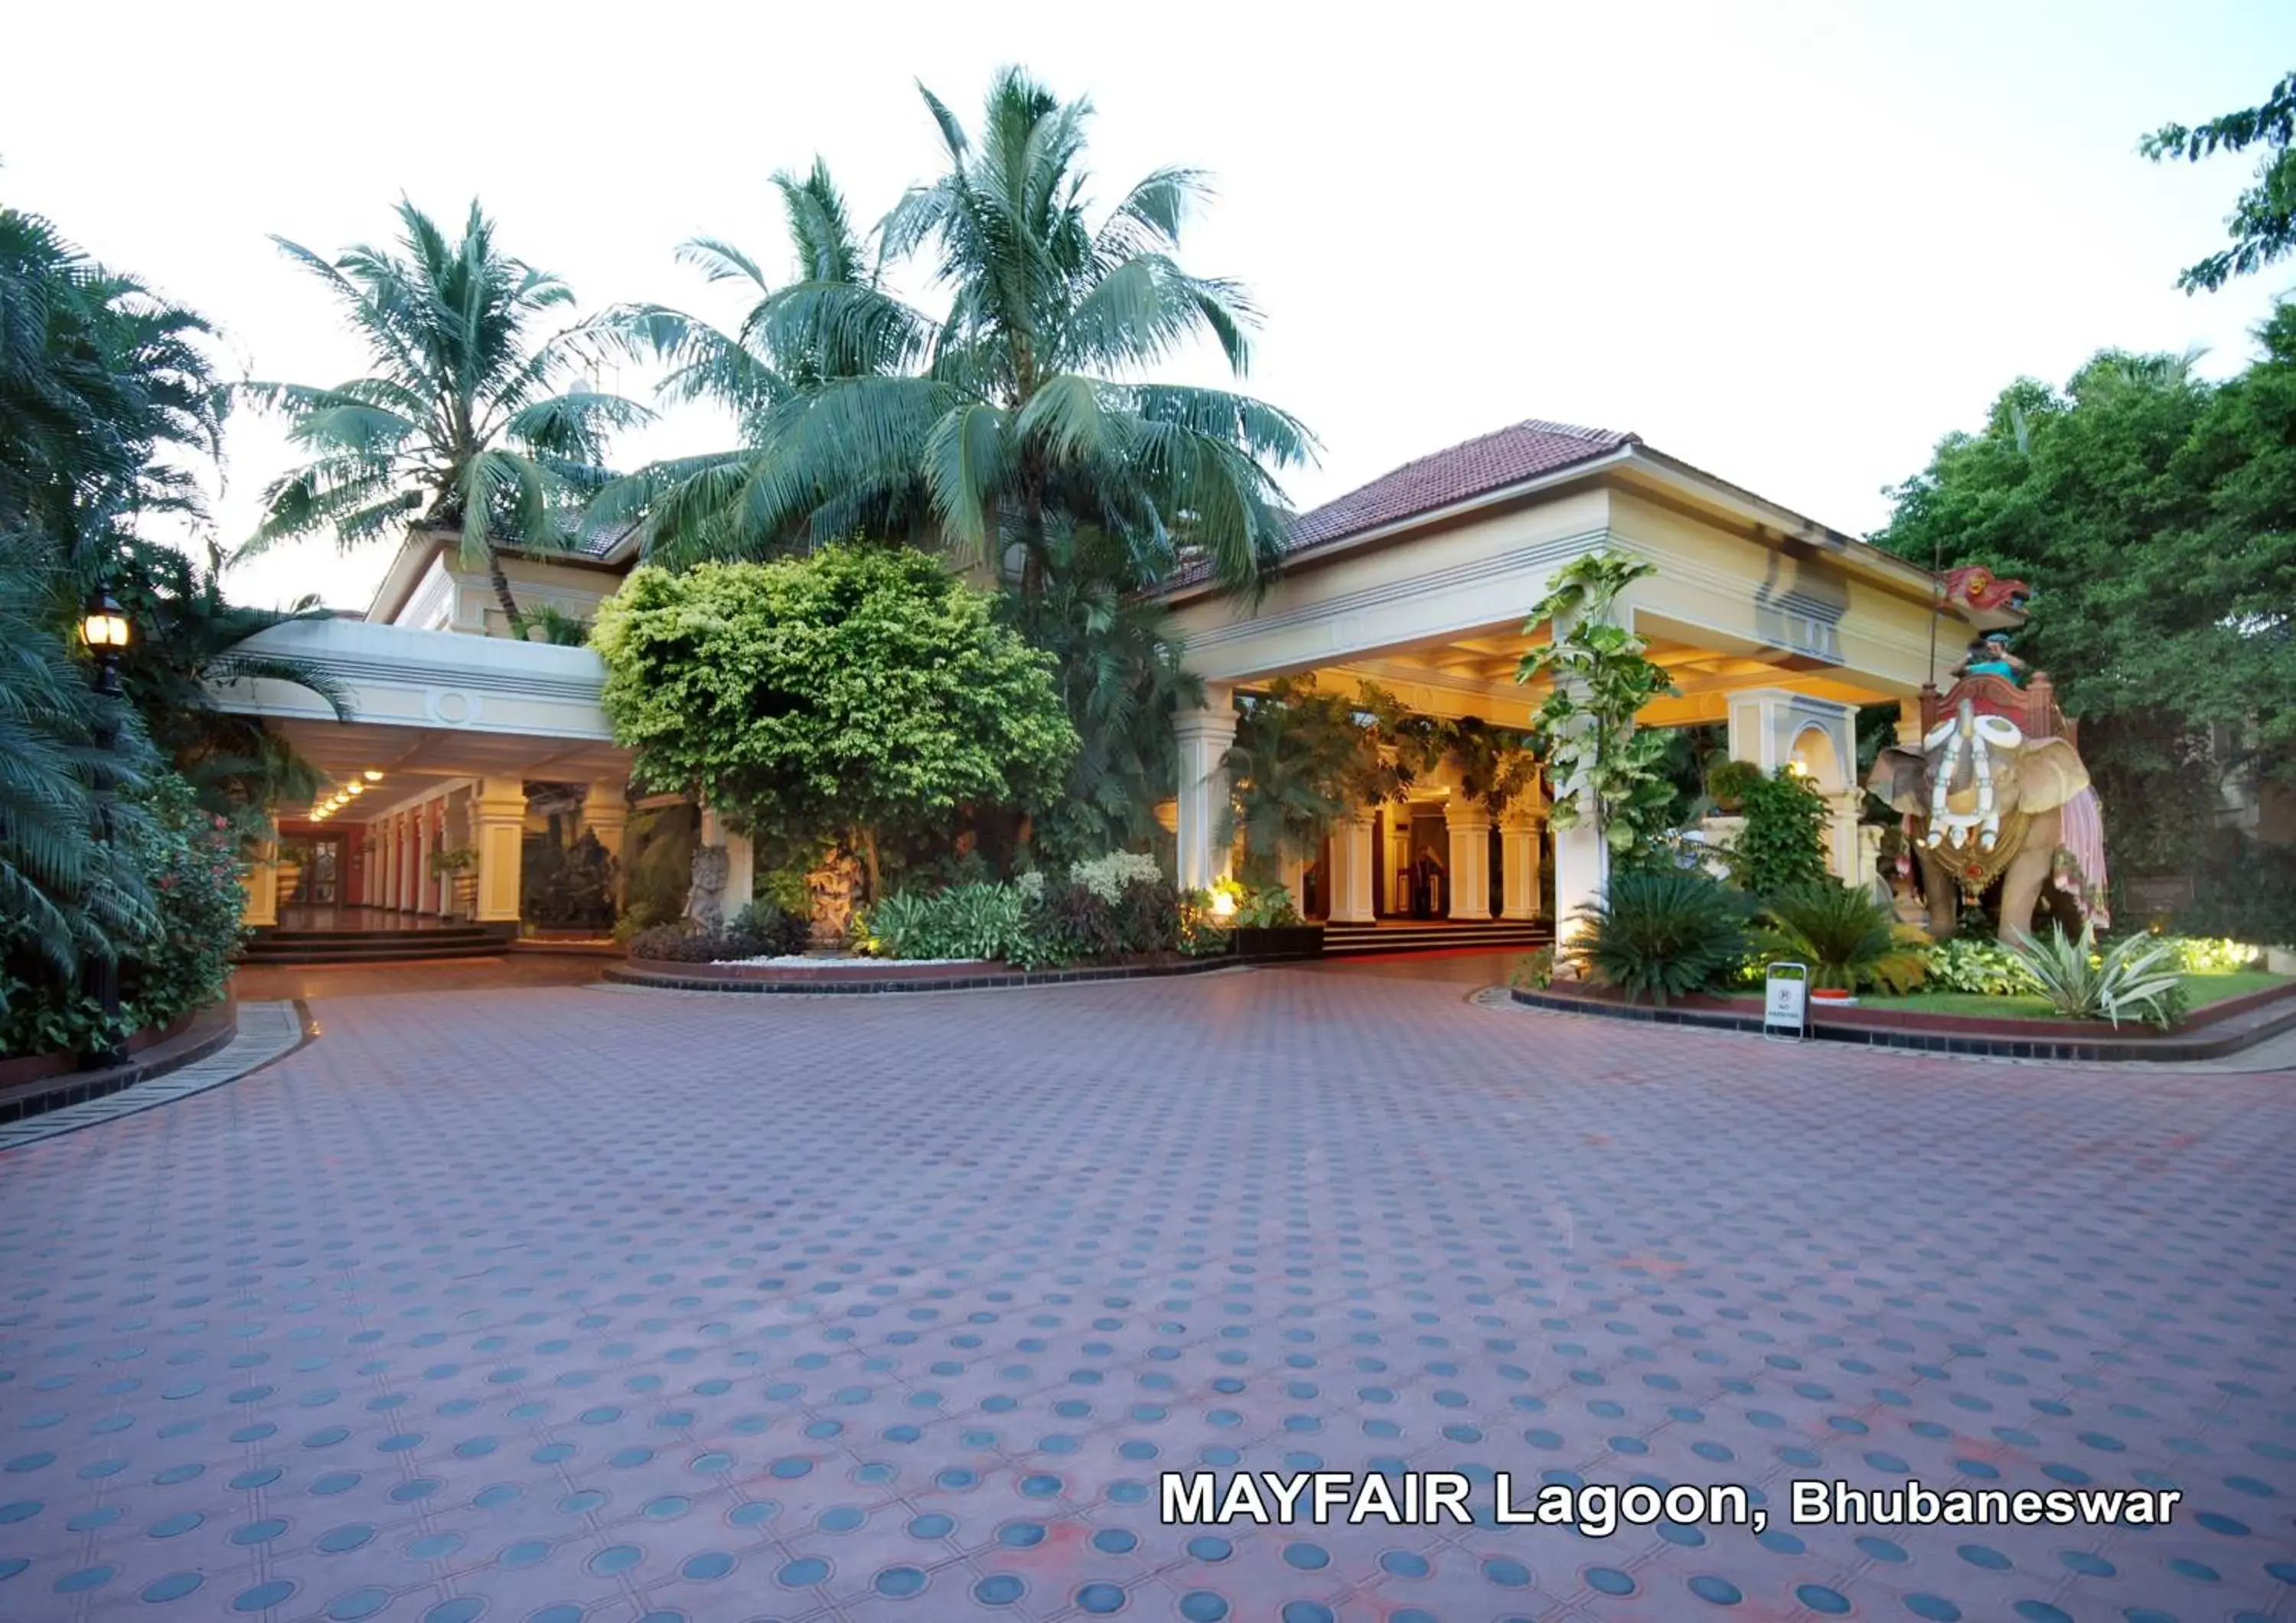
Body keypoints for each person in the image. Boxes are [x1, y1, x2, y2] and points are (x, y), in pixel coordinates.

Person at [1954, 630, 2027, 686]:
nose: (1990, 649)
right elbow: (1955, 672)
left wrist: (2001, 654)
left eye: (1994, 647)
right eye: (1989, 647)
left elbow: (2021, 667)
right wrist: (1970, 655)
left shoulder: (2009, 666)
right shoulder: (1979, 667)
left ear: (2004, 647)